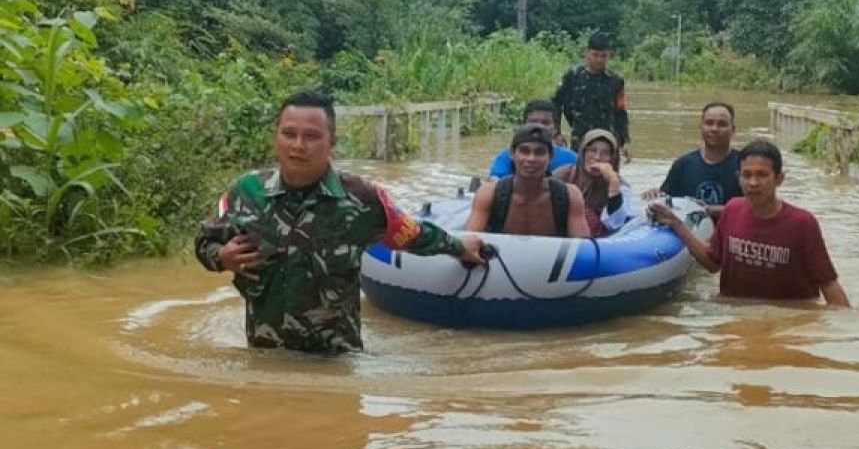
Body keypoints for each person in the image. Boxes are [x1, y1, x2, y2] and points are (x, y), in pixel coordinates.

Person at [194, 90, 486, 354]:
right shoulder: (247, 192)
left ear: (331, 142)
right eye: (289, 134)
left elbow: (413, 235)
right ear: (276, 137)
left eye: (311, 136)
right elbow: (204, 241)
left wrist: (460, 247)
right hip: (263, 361)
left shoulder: (362, 200)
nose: (298, 145)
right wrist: (221, 257)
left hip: (336, 367)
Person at [649, 139, 850, 307]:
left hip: (786, 319)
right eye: (747, 175)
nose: (753, 183)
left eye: (762, 175)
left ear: (779, 179)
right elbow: (712, 263)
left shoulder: (802, 223)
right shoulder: (732, 210)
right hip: (736, 312)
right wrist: (677, 225)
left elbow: (828, 283)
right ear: (739, 178)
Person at [465, 123, 588, 237]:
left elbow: (583, 249)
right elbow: (468, 243)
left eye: (539, 152)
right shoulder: (488, 194)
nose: (531, 159)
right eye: (524, 151)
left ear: (550, 157)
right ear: (512, 154)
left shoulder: (570, 196)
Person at [643, 102, 741, 219]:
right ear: (701, 127)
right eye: (709, 123)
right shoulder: (683, 164)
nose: (714, 129)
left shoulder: (744, 165)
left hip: (732, 233)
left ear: (733, 129)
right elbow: (668, 201)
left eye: (722, 124)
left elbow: (757, 208)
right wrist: (655, 195)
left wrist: (711, 210)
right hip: (689, 232)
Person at [552, 31, 631, 161]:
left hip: (608, 141)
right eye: (595, 55)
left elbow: (621, 112)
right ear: (587, 53)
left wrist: (625, 141)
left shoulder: (616, 81)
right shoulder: (572, 77)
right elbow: (556, 104)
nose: (599, 60)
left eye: (603, 56)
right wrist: (556, 134)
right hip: (580, 140)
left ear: (609, 55)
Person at [553, 129, 633, 238]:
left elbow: (615, 224)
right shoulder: (562, 175)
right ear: (583, 153)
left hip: (599, 244)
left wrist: (613, 183)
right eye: (592, 150)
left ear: (612, 158)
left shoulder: (621, 186)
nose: (597, 157)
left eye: (605, 153)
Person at [488, 99, 576, 179]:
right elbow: (495, 186)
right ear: (523, 126)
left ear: (556, 129)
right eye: (533, 122)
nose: (539, 127)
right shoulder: (506, 157)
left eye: (545, 123)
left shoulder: (571, 159)